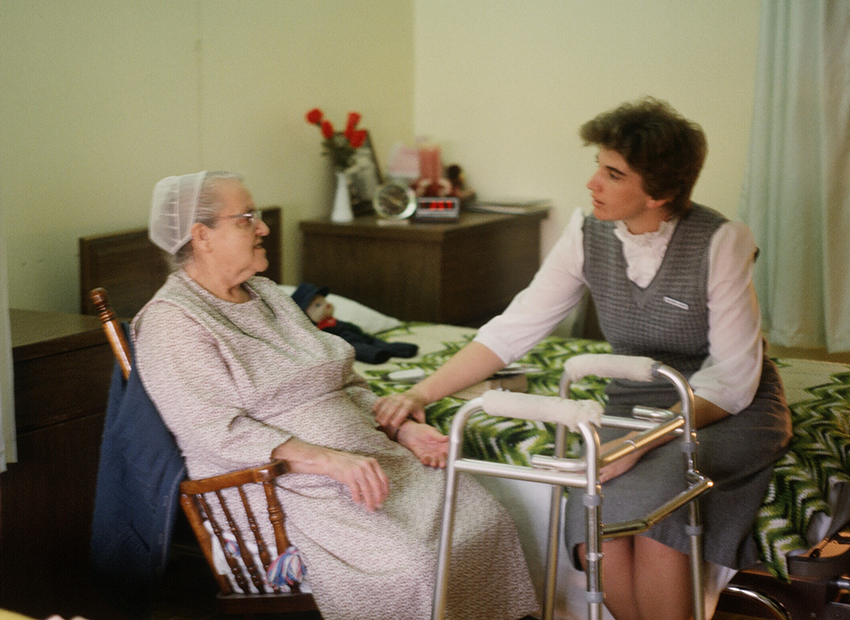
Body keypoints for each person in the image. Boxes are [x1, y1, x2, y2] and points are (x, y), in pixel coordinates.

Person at [374, 98, 792, 620]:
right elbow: (515, 328)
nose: (593, 182)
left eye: (613, 173)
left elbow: (732, 378)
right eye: (598, 166)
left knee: (665, 509)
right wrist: (420, 393)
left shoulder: (720, 241)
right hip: (634, 397)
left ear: (659, 192)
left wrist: (640, 444)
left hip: (723, 409)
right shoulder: (585, 233)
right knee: (601, 514)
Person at [132, 171, 538, 620]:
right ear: (202, 236)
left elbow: (341, 381)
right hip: (289, 491)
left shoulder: (266, 293)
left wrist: (401, 430)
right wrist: (330, 460)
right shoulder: (173, 322)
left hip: (366, 463)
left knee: (487, 523)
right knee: (413, 566)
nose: (264, 228)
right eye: (248, 218)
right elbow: (216, 434)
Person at [291, 282, 418, 363]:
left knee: (373, 341)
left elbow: (345, 326)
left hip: (356, 335)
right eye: (318, 305)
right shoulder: (316, 330)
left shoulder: (332, 320)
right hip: (347, 343)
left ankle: (398, 349)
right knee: (357, 349)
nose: (326, 305)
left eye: (324, 301)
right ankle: (376, 355)